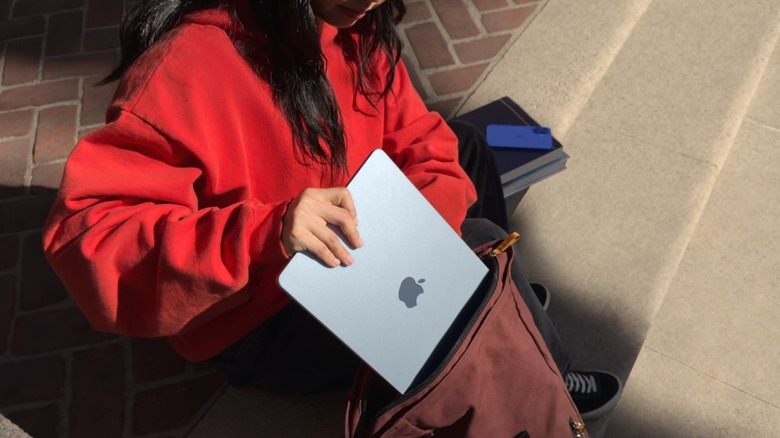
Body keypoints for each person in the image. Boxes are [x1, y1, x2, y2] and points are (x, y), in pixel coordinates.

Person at [42, 0, 619, 421]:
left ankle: (497, 313)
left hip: (348, 244)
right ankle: (532, 366)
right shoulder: (189, 65)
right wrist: (264, 232)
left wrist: (418, 242)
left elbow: (427, 139)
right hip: (261, 311)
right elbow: (89, 238)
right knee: (476, 253)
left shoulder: (357, 27)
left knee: (469, 152)